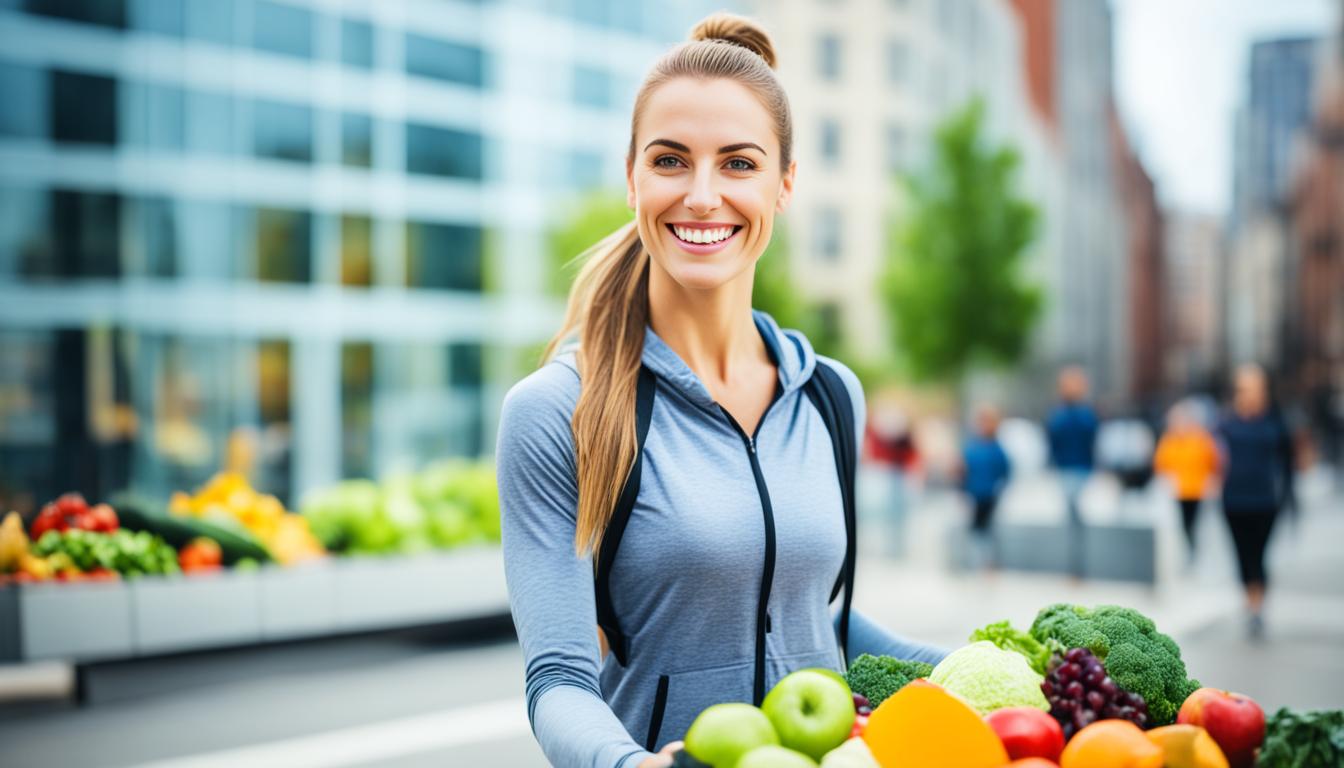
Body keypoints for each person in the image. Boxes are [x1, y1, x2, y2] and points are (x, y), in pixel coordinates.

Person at [495, 15, 946, 768]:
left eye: (738, 164)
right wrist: (633, 766)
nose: (702, 196)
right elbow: (560, 678)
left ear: (786, 184)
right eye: (671, 160)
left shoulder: (832, 396)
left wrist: (1002, 676)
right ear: (633, 176)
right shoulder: (554, 413)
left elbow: (814, 622)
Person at [1216, 364, 1296, 639]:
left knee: (1259, 556)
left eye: (1253, 387)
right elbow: (1213, 456)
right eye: (1242, 387)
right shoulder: (1226, 422)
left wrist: (1289, 498)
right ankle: (1251, 603)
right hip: (1233, 501)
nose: (1247, 393)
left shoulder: (1275, 422)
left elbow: (1288, 463)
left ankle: (1257, 606)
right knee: (1242, 555)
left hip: (1264, 501)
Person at [1045, 366, 1099, 578]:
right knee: (1071, 515)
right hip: (1066, 469)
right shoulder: (1059, 414)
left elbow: (1091, 441)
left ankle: (1077, 565)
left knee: (1074, 514)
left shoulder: (1084, 414)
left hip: (1080, 469)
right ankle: (1075, 565)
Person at [1152, 400, 1220, 560]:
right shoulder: (1169, 440)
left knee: (1195, 522)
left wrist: (1213, 480)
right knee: (1184, 523)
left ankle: (1194, 549)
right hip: (1178, 490)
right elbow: (1160, 463)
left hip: (1197, 489)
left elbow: (1211, 460)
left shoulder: (1200, 438)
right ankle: (1188, 550)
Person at [960, 405, 1011, 571]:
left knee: (987, 529)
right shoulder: (972, 447)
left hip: (989, 495)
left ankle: (988, 563)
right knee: (974, 528)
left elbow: (1005, 472)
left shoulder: (997, 449)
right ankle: (975, 563)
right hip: (973, 493)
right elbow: (964, 470)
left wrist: (999, 490)